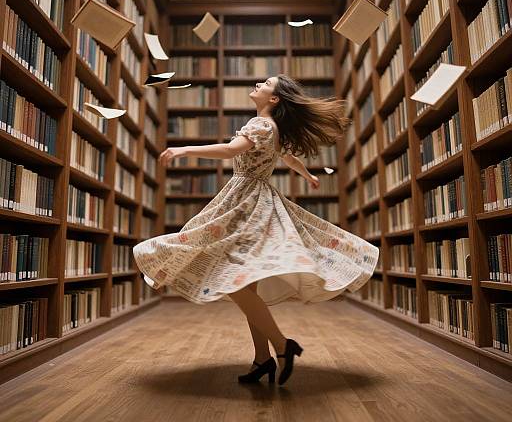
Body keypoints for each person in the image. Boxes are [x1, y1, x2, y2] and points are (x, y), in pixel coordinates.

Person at [133, 74, 379, 386]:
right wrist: (306, 174)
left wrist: (184, 150)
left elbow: (229, 151)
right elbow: (287, 156)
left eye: (265, 84)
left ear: (274, 99)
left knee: (231, 277)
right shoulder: (271, 128)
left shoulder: (261, 125)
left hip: (246, 200)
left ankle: (281, 345)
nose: (259, 85)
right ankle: (262, 359)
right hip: (254, 198)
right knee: (245, 283)